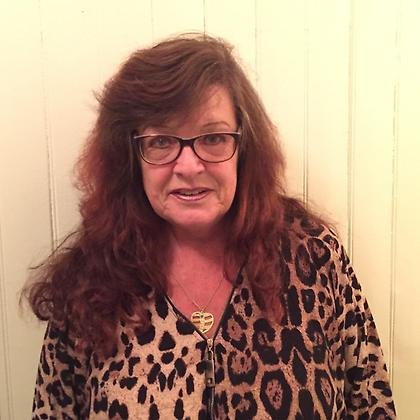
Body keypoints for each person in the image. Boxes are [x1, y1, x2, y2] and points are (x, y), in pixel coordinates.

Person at [26, 34, 396, 419]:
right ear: (131, 156)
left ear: (244, 147)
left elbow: (372, 405)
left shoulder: (314, 257)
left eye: (214, 138)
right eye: (161, 141)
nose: (189, 167)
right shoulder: (90, 281)